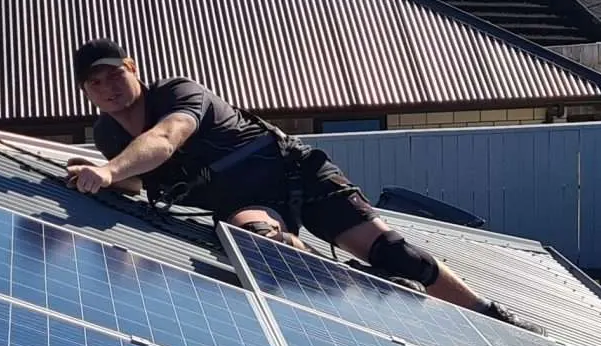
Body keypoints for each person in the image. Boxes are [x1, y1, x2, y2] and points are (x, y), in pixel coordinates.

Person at [64, 40, 522, 322]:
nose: (108, 87)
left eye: (114, 74)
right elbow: (137, 184)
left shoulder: (179, 94)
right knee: (258, 241)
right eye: (94, 83)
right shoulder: (107, 134)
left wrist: (107, 170)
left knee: (396, 254)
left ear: (133, 69)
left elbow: (165, 140)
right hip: (250, 203)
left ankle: (488, 313)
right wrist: (101, 181)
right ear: (85, 92)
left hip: (296, 175)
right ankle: (357, 287)